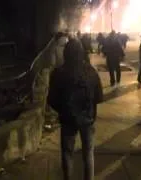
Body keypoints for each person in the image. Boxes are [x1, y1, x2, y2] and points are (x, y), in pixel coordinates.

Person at [47, 38, 103, 180]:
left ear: (66, 53)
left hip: (67, 119)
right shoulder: (91, 71)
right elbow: (99, 96)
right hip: (88, 119)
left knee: (67, 153)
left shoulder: (59, 73)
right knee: (88, 153)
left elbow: (51, 99)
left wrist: (62, 110)